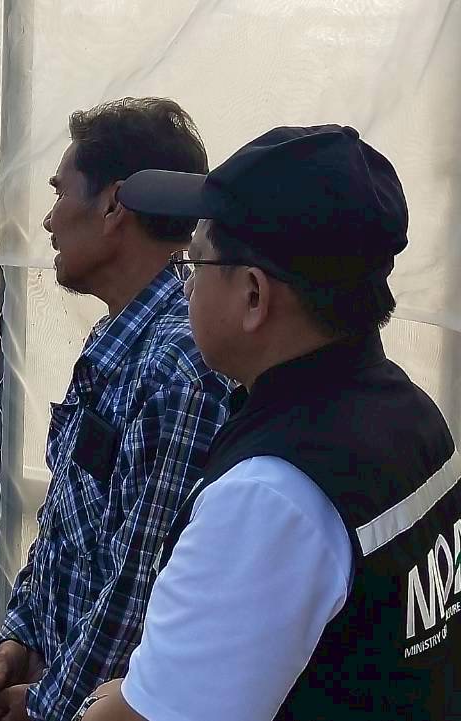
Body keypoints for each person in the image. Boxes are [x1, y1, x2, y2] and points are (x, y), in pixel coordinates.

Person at [77, 125, 460, 720]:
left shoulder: (270, 495)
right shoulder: (411, 416)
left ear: (253, 296)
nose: (188, 284)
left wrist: (101, 706)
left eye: (196, 260)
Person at [0, 98, 234, 721]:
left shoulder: (178, 366)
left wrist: (46, 707)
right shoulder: (117, 342)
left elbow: (137, 585)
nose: (47, 219)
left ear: (114, 205)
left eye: (59, 191)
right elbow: (70, 517)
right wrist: (23, 632)